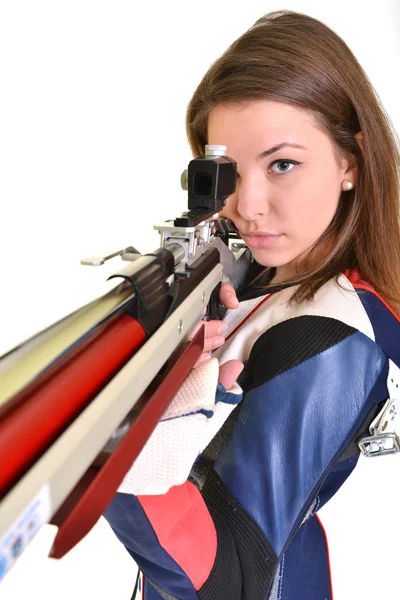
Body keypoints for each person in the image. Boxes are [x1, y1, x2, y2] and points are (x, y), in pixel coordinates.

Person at [103, 10, 400, 599]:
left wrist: (130, 444)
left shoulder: (326, 334)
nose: (249, 206)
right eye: (230, 173)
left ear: (351, 160)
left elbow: (229, 579)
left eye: (283, 164)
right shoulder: (279, 277)